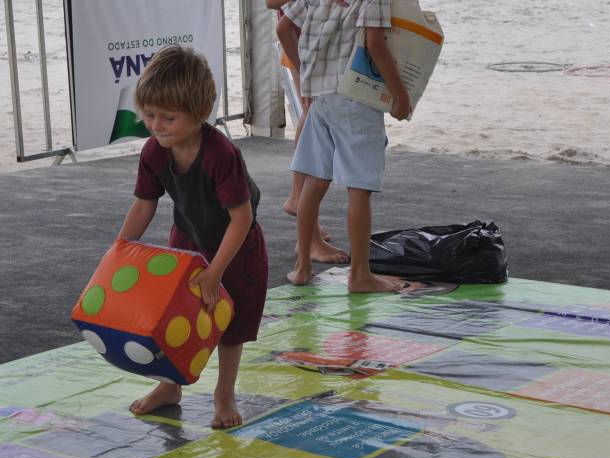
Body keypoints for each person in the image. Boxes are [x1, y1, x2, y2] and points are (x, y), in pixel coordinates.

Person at [117, 45, 268, 429]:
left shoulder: (221, 154)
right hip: (187, 243)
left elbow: (241, 219)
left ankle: (224, 394)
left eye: (168, 118)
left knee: (229, 326)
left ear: (199, 112)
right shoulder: (154, 151)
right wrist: (120, 250)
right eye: (149, 115)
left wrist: (216, 273)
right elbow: (144, 204)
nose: (156, 125)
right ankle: (170, 386)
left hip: (236, 250)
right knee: (175, 317)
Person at [282, 0, 416, 292]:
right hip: (356, 97)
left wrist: (305, 74)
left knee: (314, 180)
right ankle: (360, 275)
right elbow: (375, 45)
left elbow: (283, 28)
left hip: (320, 99)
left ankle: (302, 266)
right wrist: (401, 95)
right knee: (359, 188)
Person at [267, 0, 349, 265]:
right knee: (314, 117)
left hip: (318, 39)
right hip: (305, 42)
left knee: (312, 115)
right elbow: (272, 4)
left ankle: (305, 219)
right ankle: (309, 237)